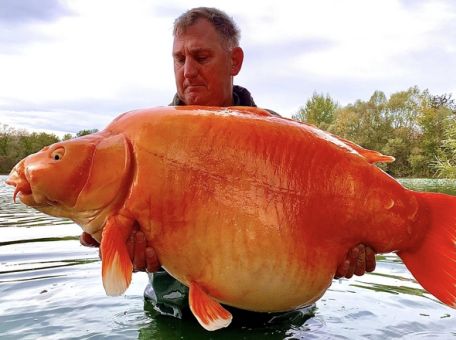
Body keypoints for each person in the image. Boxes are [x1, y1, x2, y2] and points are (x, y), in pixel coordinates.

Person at [80, 6, 376, 323]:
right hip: (172, 312)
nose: (188, 70)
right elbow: (102, 227)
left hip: (273, 319)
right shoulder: (140, 142)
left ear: (234, 61)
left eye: (201, 57)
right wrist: (116, 247)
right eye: (179, 59)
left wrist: (347, 255)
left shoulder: (284, 139)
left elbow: (325, 227)